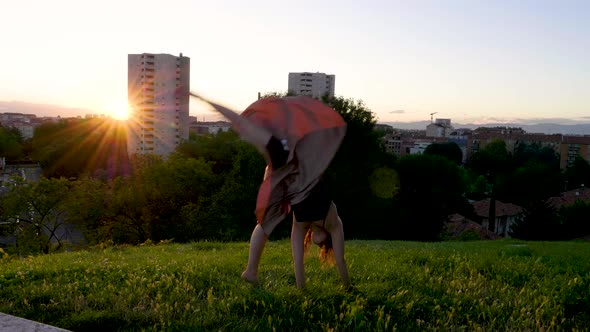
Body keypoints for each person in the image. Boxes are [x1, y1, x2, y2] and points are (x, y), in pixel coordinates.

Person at [189, 93, 350, 289]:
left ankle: (251, 271)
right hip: (293, 164)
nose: (318, 244)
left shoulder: (301, 225)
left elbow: (297, 261)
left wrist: (303, 291)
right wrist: (348, 287)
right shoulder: (333, 222)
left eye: (318, 244)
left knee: (264, 223)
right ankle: (250, 271)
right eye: (323, 244)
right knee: (245, 124)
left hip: (284, 173)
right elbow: (340, 260)